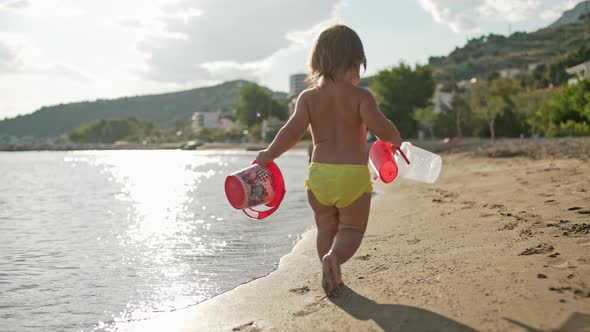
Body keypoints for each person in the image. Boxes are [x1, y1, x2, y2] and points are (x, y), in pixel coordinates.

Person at [256, 25, 402, 296]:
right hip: (352, 176)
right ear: (355, 62)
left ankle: (332, 271)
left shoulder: (308, 97)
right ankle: (334, 259)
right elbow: (381, 128)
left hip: (319, 176)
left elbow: (290, 132)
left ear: (318, 62)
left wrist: (269, 155)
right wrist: (397, 141)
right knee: (352, 229)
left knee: (326, 227)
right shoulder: (361, 97)